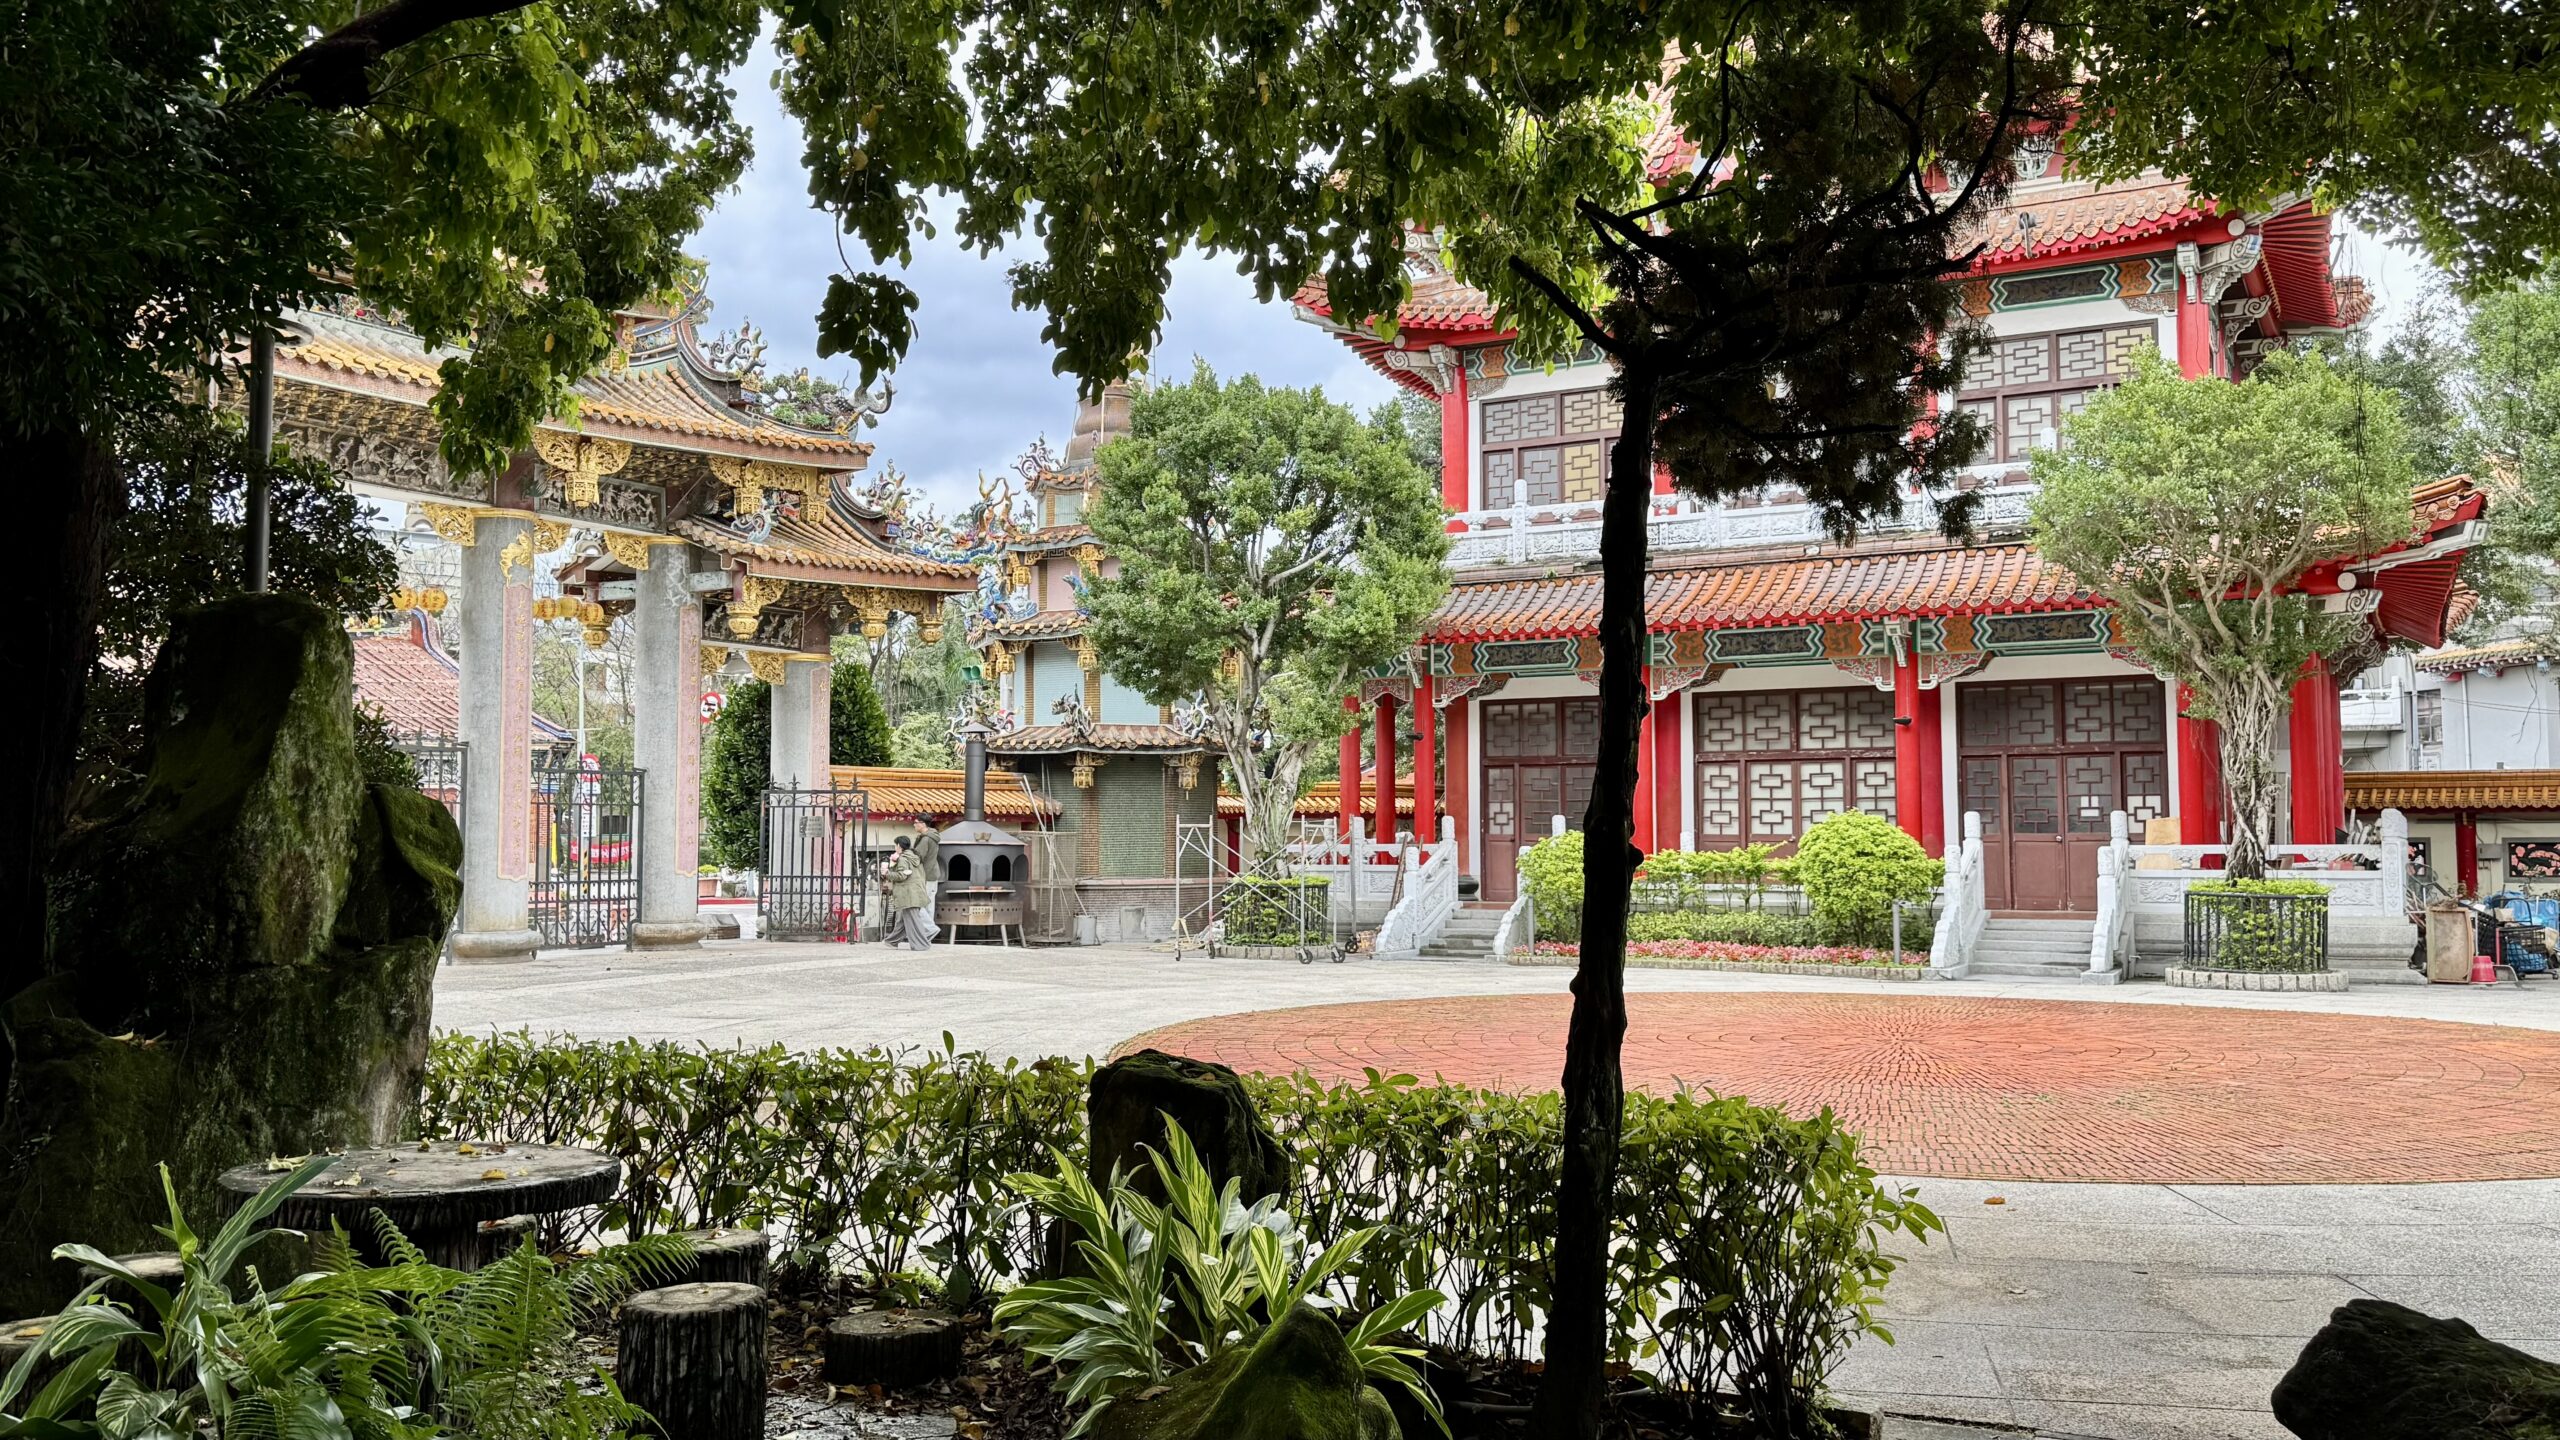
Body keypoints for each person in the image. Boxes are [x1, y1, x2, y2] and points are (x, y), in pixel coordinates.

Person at [881, 836, 939, 949]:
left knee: (913, 921)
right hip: (916, 892)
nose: (895, 847)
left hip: (907, 894)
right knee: (903, 921)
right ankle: (892, 941)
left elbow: (901, 876)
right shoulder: (915, 857)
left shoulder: (903, 859)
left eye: (895, 845)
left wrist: (887, 873)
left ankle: (921, 944)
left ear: (899, 846)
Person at [910, 816, 941, 912]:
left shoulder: (925, 839)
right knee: (929, 904)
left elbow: (917, 857)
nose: (914, 825)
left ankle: (927, 923)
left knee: (923, 906)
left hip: (926, 875)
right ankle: (929, 922)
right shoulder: (932, 836)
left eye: (916, 822)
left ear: (923, 824)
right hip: (932, 873)